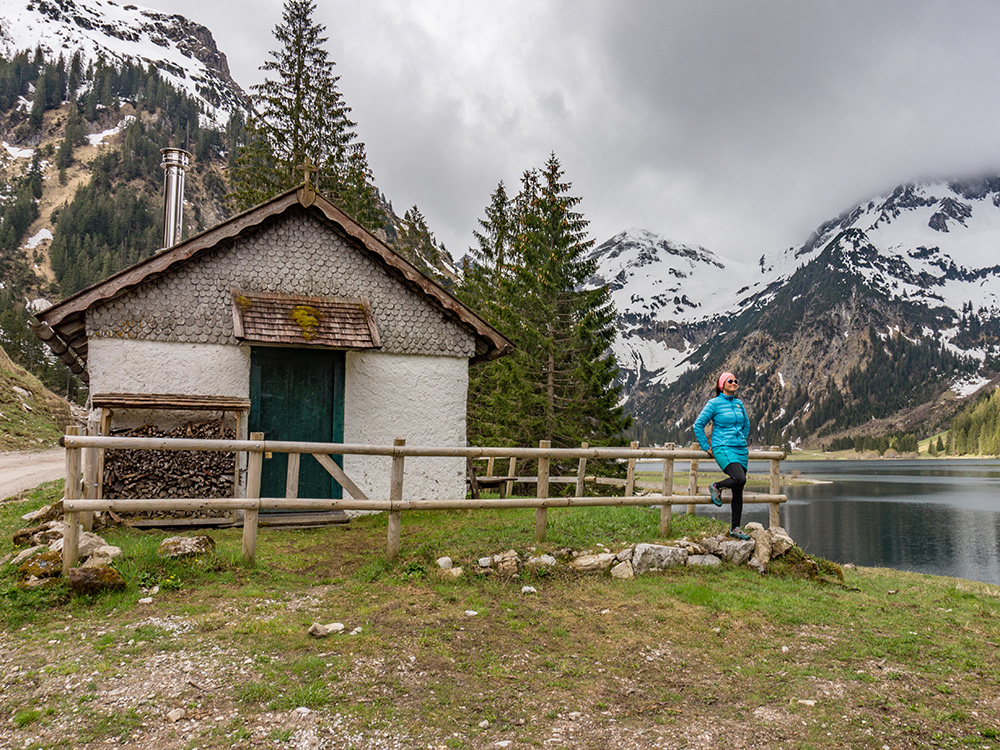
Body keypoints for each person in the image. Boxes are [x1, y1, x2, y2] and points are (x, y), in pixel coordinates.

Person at [693, 371, 751, 540]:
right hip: (722, 447)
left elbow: (746, 424)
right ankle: (716, 486)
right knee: (739, 479)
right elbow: (698, 425)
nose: (734, 383)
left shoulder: (739, 404)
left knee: (738, 490)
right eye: (730, 381)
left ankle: (735, 528)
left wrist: (741, 438)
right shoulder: (714, 403)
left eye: (735, 381)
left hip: (740, 449)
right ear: (722, 385)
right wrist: (706, 446)